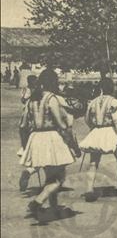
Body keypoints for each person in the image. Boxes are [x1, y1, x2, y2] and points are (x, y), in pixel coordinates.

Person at [21, 69, 81, 220]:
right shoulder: (51, 98)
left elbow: (23, 126)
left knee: (50, 177)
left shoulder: (31, 100)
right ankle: (38, 201)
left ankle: (54, 209)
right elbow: (61, 124)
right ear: (53, 82)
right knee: (59, 179)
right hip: (51, 138)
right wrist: (73, 144)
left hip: (35, 137)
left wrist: (25, 145)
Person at [79, 78, 117, 202]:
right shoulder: (115, 102)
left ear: (101, 89)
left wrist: (93, 129)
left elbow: (87, 119)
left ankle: (89, 189)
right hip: (111, 132)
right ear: (112, 89)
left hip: (97, 131)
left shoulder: (93, 102)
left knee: (93, 161)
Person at [17, 75, 40, 191]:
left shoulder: (26, 91)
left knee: (36, 156)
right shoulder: (40, 96)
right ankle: (30, 171)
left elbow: (22, 126)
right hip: (40, 130)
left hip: (29, 125)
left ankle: (29, 171)